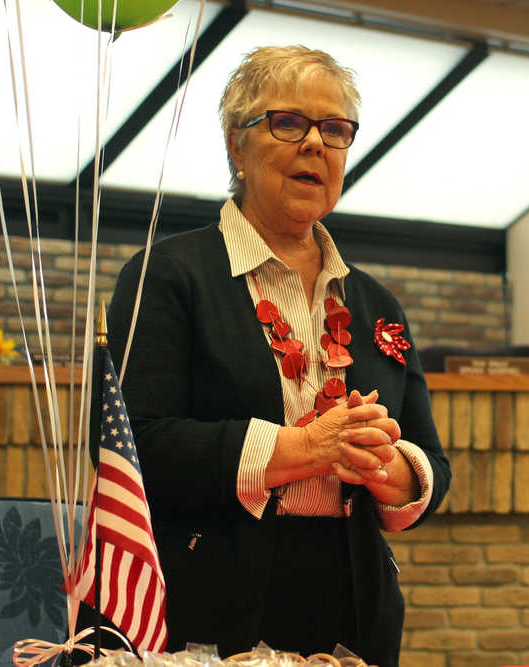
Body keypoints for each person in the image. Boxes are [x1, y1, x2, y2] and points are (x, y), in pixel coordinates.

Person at [106, 45, 450, 666]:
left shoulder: (376, 302)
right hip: (208, 605)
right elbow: (140, 448)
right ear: (237, 147)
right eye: (288, 123)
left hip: (355, 607)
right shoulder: (166, 274)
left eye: (336, 129)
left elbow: (431, 464)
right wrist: (308, 449)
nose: (316, 144)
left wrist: (386, 464)